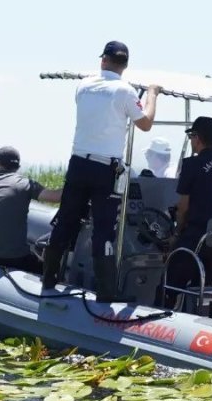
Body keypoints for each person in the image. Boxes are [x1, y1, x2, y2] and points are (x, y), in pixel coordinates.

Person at [42, 40, 160, 302]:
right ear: (125, 65)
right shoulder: (126, 92)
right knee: (104, 228)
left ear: (103, 60)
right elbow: (146, 124)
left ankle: (48, 278)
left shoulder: (83, 86)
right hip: (105, 168)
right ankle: (106, 292)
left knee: (66, 219)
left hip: (78, 163)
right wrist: (151, 94)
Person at [163, 116, 212, 308]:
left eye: (192, 137)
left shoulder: (191, 165)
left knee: (170, 282)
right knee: (205, 286)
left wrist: (176, 234)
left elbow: (183, 207)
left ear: (197, 138)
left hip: (195, 236)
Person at [0, 146, 62, 273]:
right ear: (18, 167)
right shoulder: (25, 183)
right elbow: (55, 197)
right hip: (15, 259)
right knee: (47, 271)